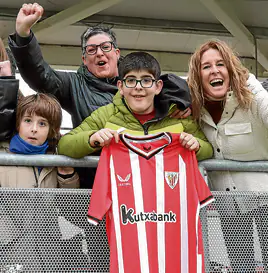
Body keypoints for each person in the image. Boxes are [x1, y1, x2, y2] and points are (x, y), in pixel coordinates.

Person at [8, 3, 194, 189]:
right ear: (84, 59)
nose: (99, 53)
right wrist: (23, 35)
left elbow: (173, 86)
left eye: (105, 47)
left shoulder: (140, 84)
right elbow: (40, 74)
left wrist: (182, 103)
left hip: (146, 185)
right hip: (96, 185)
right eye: (91, 50)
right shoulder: (74, 85)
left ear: (116, 53)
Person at [187, 39, 268, 272]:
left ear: (231, 69)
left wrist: (254, 87)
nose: (214, 70)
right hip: (228, 206)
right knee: (240, 267)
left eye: (220, 64)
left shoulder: (252, 99)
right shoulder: (196, 110)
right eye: (206, 66)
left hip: (265, 201)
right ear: (198, 75)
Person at [58, 51, 213, 161]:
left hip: (168, 204)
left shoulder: (177, 114)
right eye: (131, 80)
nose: (138, 87)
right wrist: (92, 139)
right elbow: (65, 145)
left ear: (158, 86)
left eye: (146, 80)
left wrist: (197, 146)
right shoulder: (106, 114)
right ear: (120, 86)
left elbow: (209, 150)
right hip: (122, 204)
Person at [0, 93, 80, 272]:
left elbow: (72, 208)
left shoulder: (57, 158)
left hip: (49, 254)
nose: (34, 129)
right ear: (18, 123)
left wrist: (67, 175)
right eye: (28, 120)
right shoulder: (2, 156)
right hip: (10, 252)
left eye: (42, 123)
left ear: (52, 129)